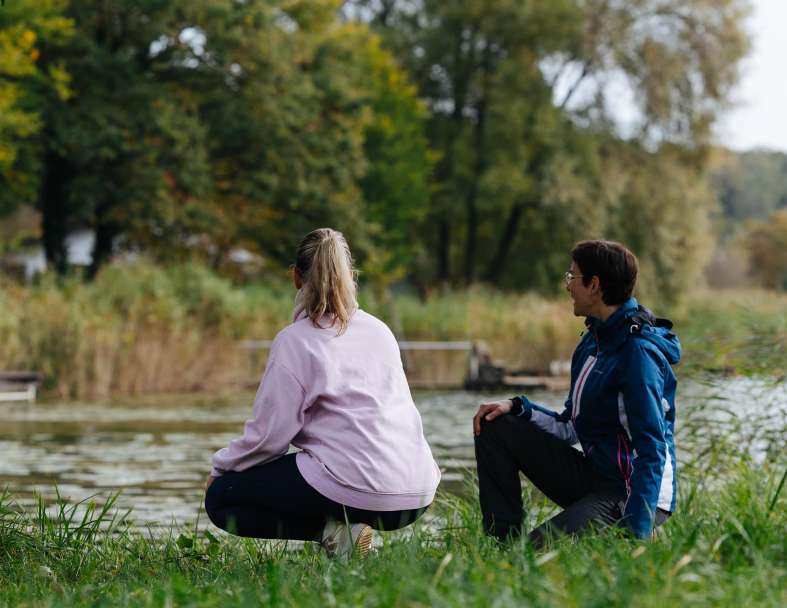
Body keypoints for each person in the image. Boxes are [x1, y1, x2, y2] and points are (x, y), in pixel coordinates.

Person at [205, 228, 440, 558]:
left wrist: (220, 468)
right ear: (350, 278)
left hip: (358, 487)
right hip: (416, 494)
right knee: (328, 470)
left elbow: (268, 439)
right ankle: (348, 532)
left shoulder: (295, 341)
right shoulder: (380, 331)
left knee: (222, 498)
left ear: (296, 278)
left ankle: (333, 535)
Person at [473, 240, 680, 546]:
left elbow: (651, 448)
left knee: (534, 553)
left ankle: (630, 532)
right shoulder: (592, 341)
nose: (567, 286)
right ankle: (501, 543)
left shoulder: (637, 354)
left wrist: (637, 531)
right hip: (597, 476)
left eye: (572, 277)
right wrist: (517, 407)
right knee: (495, 422)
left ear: (594, 285)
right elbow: (570, 426)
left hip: (631, 491)